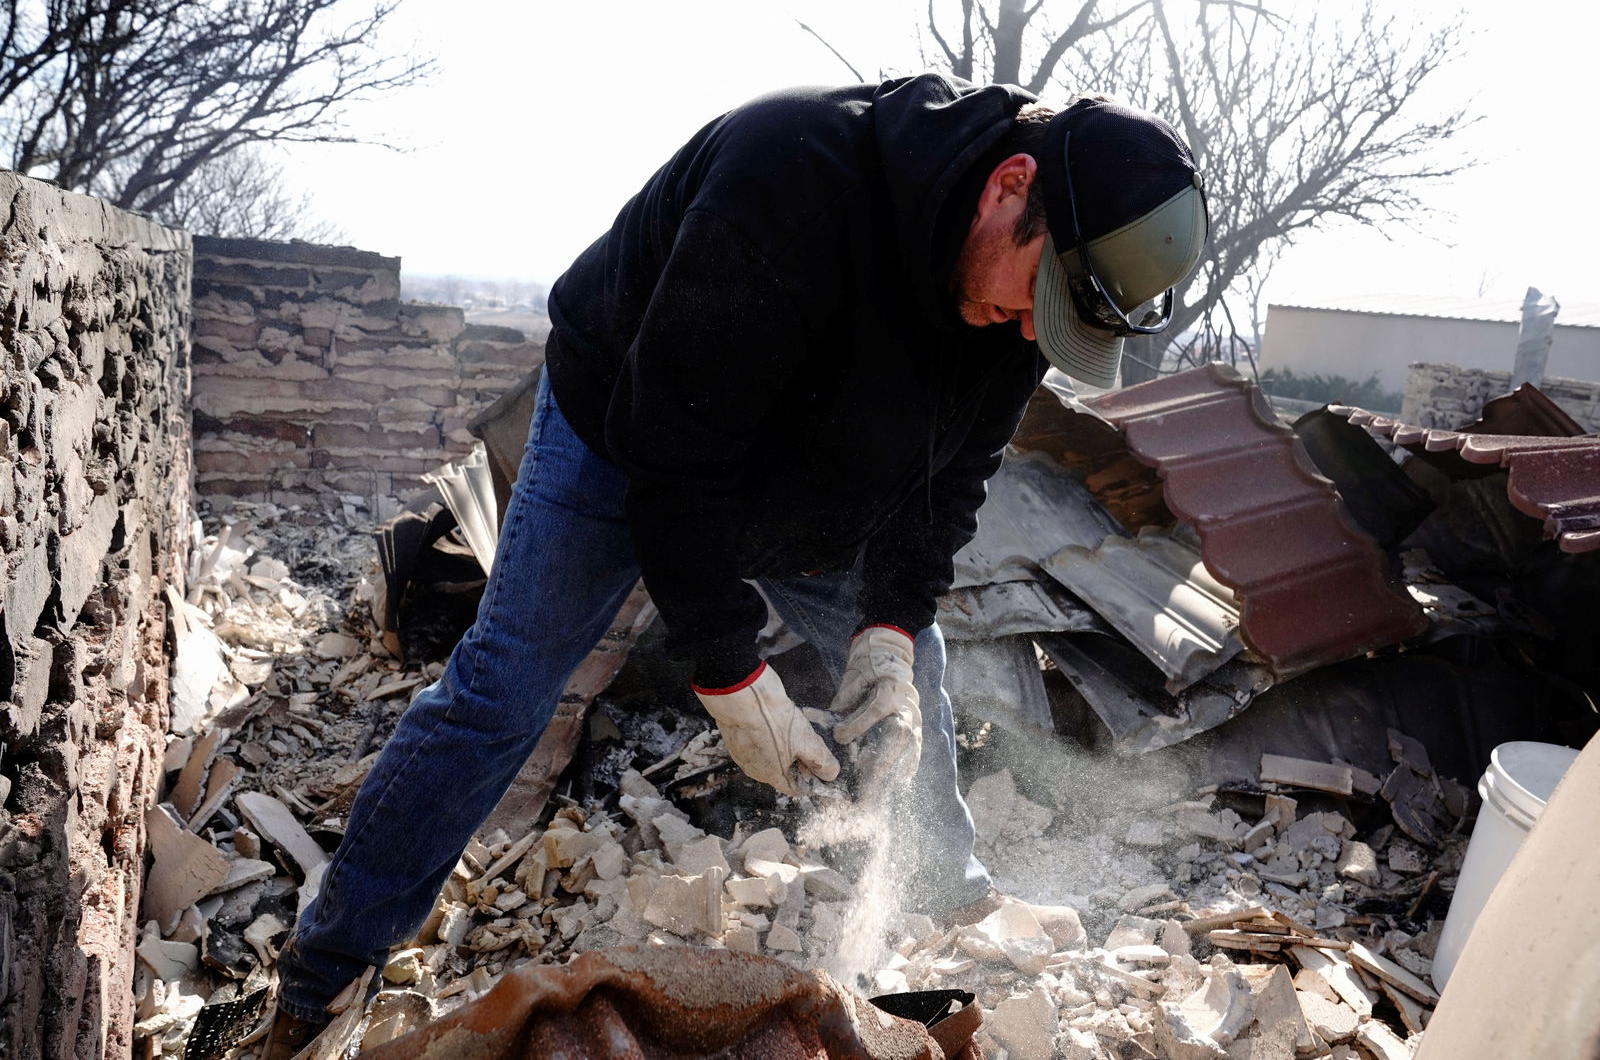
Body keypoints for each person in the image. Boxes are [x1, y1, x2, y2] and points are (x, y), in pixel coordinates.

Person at [265, 72, 1207, 1056]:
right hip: (629, 430)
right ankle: (322, 982)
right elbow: (671, 466)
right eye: (1036, 302)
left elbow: (950, 481)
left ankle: (941, 920)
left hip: (813, 462)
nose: (1028, 333)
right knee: (500, 691)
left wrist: (886, 630)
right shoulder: (791, 178)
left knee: (906, 691)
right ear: (1009, 187)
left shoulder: (1026, 297)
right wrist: (728, 668)